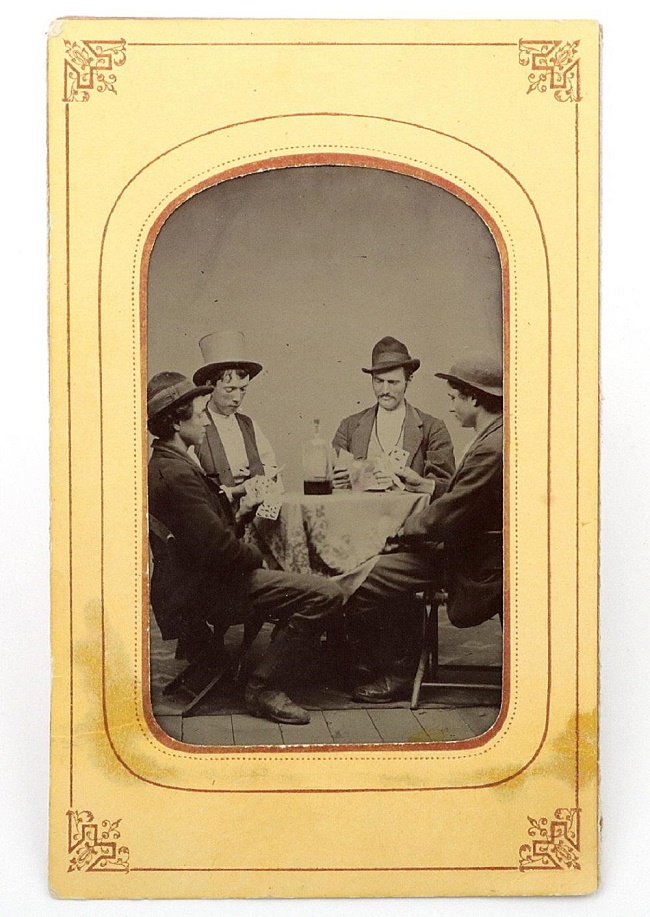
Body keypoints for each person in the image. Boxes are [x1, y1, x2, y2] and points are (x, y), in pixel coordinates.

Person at [147, 371, 344, 725]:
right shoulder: (176, 475)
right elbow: (222, 550)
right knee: (326, 593)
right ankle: (263, 686)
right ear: (177, 421)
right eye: (199, 413)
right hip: (209, 591)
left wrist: (240, 512)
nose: (206, 421)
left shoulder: (166, 464)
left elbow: (207, 538)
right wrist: (258, 556)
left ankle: (241, 670)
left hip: (191, 585)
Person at [347, 352, 504, 703]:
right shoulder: (496, 433)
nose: (450, 406)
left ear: (474, 398)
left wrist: (396, 535)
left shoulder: (491, 447)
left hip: (475, 560)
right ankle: (376, 663)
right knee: (381, 565)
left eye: (453, 397)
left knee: (368, 575)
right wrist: (427, 485)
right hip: (471, 547)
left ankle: (397, 672)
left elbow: (449, 513)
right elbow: (467, 495)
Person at [332, 336, 455, 494]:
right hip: (359, 516)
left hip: (411, 518)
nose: (384, 391)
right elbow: (331, 478)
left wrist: (404, 486)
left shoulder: (433, 428)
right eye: (378, 381)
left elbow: (445, 489)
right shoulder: (349, 426)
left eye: (393, 382)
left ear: (408, 381)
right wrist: (334, 481)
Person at [192, 331, 279, 502]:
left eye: (243, 389)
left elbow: (271, 470)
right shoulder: (196, 425)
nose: (237, 398)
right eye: (230, 389)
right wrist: (238, 490)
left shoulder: (248, 425)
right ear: (210, 386)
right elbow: (193, 488)